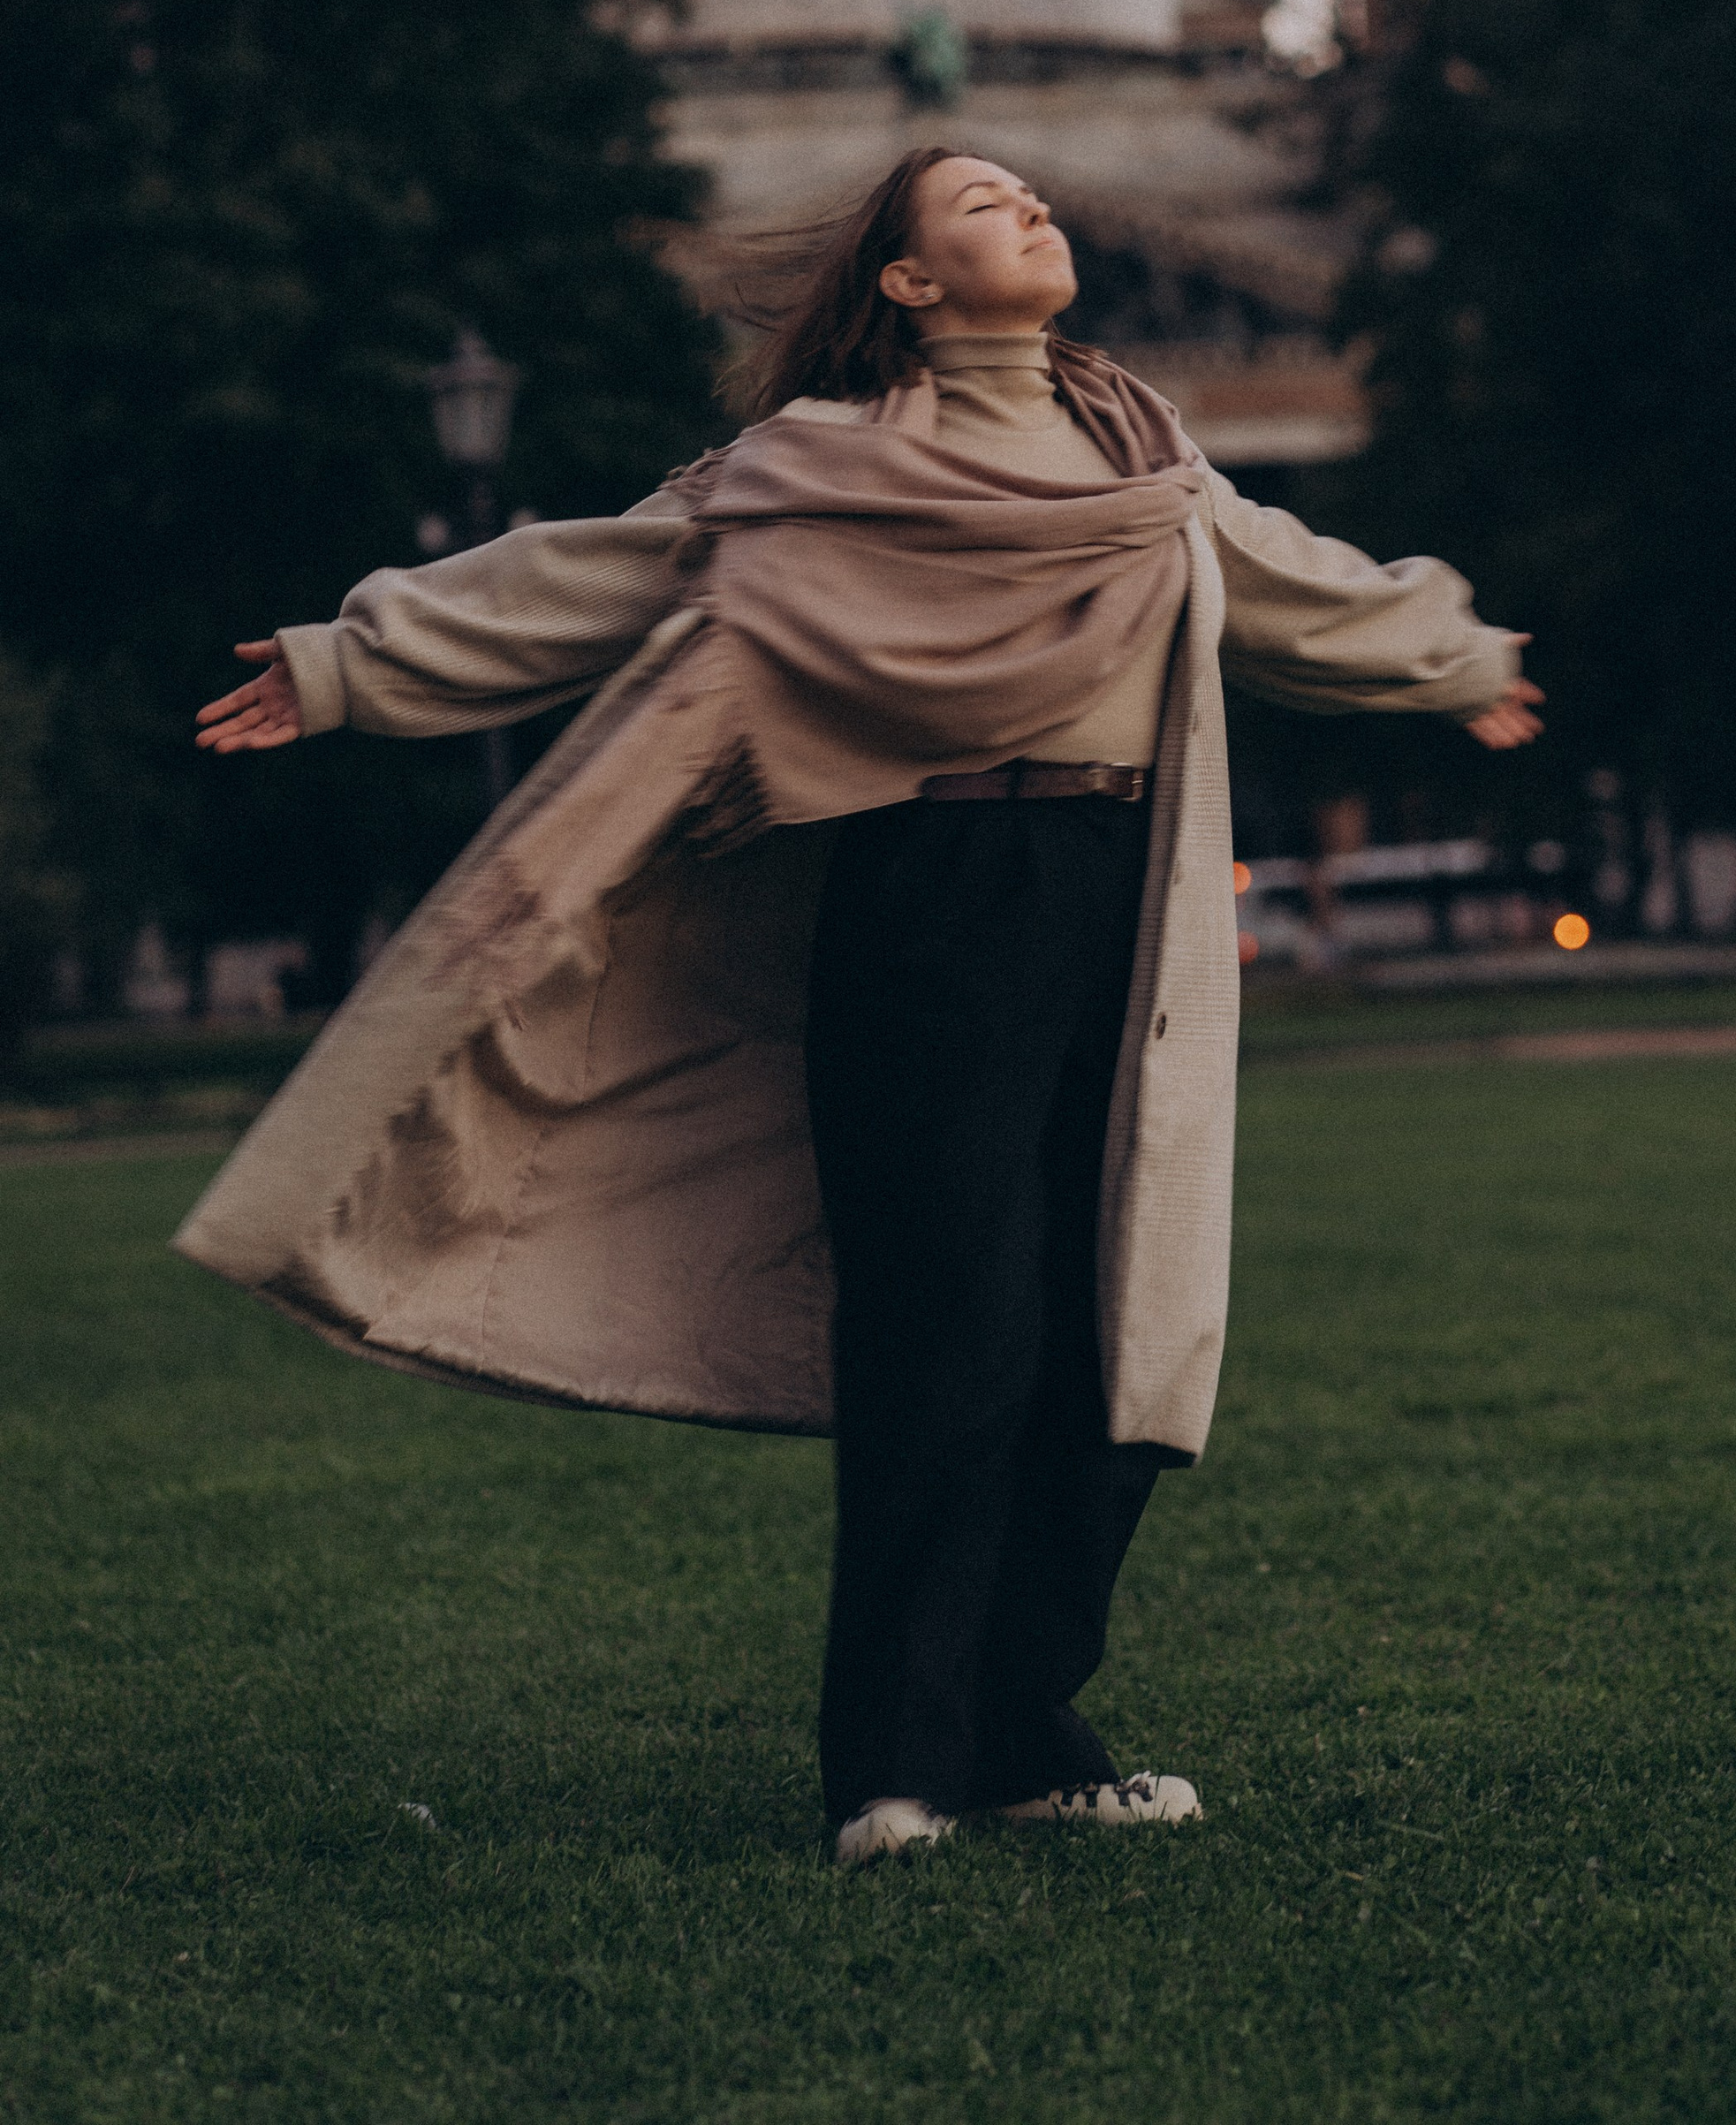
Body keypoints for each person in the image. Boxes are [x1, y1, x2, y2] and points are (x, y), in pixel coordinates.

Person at [185, 148, 1540, 1867]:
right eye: (981, 204)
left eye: (1034, 199)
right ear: (903, 283)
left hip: (1123, 916)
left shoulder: (1141, 455)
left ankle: (1024, 1730)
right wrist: (342, 667)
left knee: (1112, 1338)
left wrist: (1460, 657)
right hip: (926, 908)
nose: (1033, 211)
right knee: (950, 1336)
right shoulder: (813, 472)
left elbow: (1298, 585)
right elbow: (583, 575)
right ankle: (889, 1766)